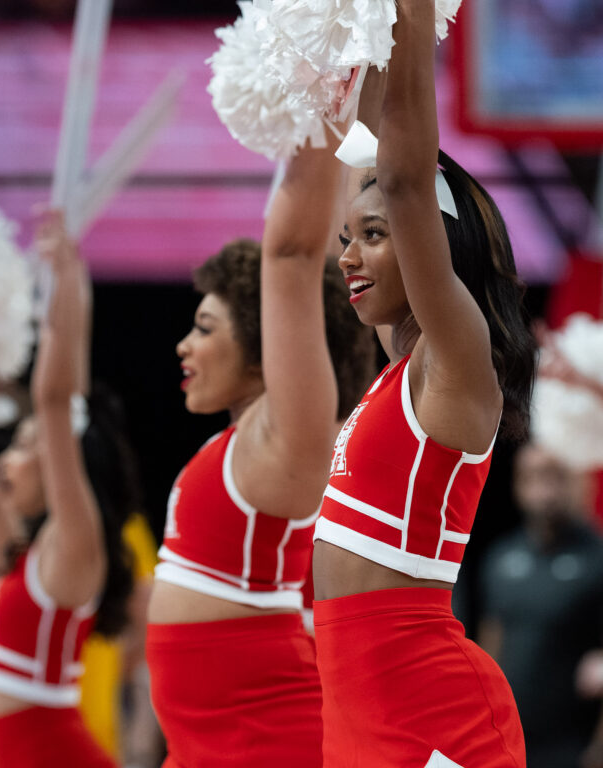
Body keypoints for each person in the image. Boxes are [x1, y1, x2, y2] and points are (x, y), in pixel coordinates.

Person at [310, 2, 537, 765]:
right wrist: (368, 31)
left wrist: (411, 14)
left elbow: (405, 183)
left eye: (373, 239)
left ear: (432, 248)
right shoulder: (397, 365)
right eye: (348, 238)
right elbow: (375, 159)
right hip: (359, 703)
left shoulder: (456, 358)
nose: (348, 256)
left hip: (430, 710)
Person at [145, 119, 374, 763]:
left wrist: (322, 107)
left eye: (206, 327)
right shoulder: (240, 441)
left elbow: (298, 257)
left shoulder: (288, 436)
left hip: (265, 740)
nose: (184, 345)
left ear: (262, 342)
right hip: (204, 742)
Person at [0, 210, 136, 767]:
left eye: (26, 448)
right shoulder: (16, 550)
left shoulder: (74, 546)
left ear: (60, 464)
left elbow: (56, 402)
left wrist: (66, 284)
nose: (7, 463)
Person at [479, 443, 603, 768]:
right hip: (511, 742)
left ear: (580, 481)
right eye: (532, 477)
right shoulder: (500, 558)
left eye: (554, 476)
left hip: (575, 746)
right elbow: (491, 647)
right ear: (517, 485)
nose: (544, 489)